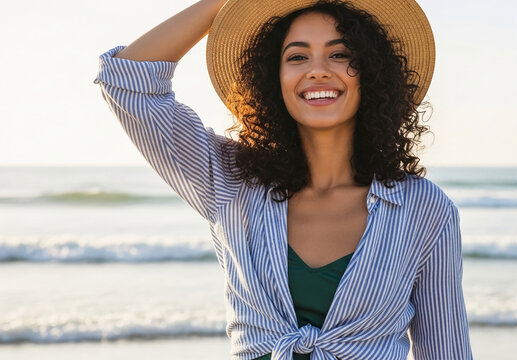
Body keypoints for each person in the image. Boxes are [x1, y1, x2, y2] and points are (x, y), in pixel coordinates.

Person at [92, 0, 473, 359]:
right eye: (297, 56)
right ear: (273, 79)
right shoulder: (230, 181)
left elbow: (447, 351)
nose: (318, 69)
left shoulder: (424, 208)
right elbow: (127, 80)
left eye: (340, 54)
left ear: (372, 73)